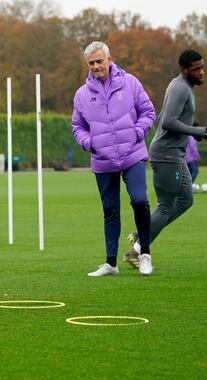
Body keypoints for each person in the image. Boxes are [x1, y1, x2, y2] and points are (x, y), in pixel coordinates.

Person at [72, 41, 156, 277]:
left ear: (109, 59)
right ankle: (111, 264)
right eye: (91, 63)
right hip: (103, 160)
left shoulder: (130, 83)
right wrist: (89, 143)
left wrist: (137, 133)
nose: (96, 66)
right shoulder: (82, 95)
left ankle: (145, 254)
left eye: (100, 61)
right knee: (110, 211)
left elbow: (148, 112)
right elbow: (77, 126)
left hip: (133, 155)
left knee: (140, 200)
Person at [128, 50, 207, 265]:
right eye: (196, 69)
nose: (201, 72)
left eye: (202, 67)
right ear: (184, 70)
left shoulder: (183, 86)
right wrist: (199, 132)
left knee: (185, 200)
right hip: (166, 155)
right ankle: (137, 251)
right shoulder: (180, 88)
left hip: (175, 154)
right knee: (166, 205)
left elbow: (167, 119)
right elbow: (167, 122)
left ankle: (141, 235)